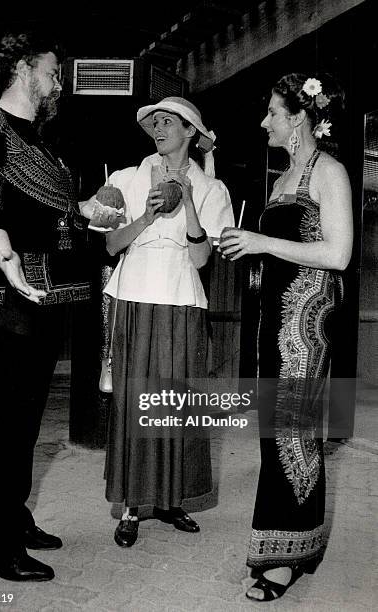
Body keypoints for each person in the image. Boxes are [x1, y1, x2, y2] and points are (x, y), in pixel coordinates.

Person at [0, 31, 116, 582]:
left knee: (24, 420)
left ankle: (15, 518)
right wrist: (7, 260)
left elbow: (57, 212)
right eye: (51, 70)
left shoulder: (41, 142)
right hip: (11, 295)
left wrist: (92, 211)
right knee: (4, 420)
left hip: (47, 298)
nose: (58, 82)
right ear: (23, 68)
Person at [219, 74, 353, 601]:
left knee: (295, 435)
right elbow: (278, 248)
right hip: (271, 324)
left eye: (272, 112)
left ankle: (289, 555)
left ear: (297, 117)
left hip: (304, 323)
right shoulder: (282, 180)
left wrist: (261, 240)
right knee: (274, 436)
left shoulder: (332, 173)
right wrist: (250, 250)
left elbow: (338, 255)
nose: (263, 121)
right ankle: (285, 544)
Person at [82, 96, 234, 547]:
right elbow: (111, 247)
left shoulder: (211, 189)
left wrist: (187, 201)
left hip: (183, 298)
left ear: (190, 131)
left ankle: (171, 500)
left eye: (168, 121)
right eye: (154, 122)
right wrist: (147, 216)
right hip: (133, 295)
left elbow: (204, 257)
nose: (159, 128)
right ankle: (132, 506)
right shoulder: (125, 180)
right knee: (133, 401)